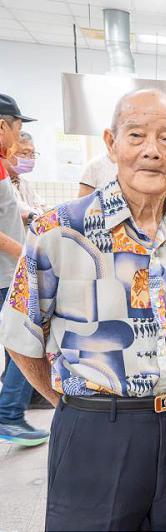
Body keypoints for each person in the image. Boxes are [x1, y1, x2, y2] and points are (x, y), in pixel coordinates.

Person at [0, 88, 166, 530]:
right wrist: (70, 403)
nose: (151, 151)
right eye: (135, 135)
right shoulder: (58, 230)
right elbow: (20, 336)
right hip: (95, 429)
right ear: (111, 143)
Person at [0, 94, 50, 447]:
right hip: (6, 272)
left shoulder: (2, 164)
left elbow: (9, 210)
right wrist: (27, 256)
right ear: (3, 124)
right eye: (17, 126)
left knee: (16, 340)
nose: (19, 135)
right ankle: (9, 415)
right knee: (25, 337)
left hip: (8, 270)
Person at [2, 131, 49, 221]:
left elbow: (44, 207)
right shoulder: (3, 182)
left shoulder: (24, 183)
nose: (30, 159)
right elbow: (20, 210)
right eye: (24, 153)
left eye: (32, 154)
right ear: (7, 153)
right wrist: (35, 213)